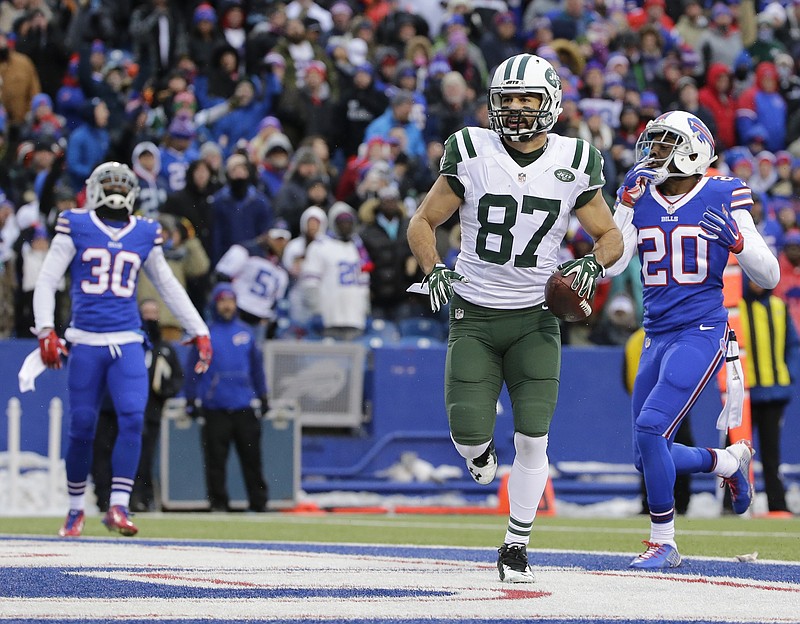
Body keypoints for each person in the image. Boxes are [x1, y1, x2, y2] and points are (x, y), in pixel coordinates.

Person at [406, 53, 624, 583]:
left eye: (528, 98)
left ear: (551, 103)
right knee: (467, 435)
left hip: (535, 318)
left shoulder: (576, 159)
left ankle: (516, 544)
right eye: (509, 99)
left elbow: (612, 236)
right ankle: (479, 456)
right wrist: (434, 269)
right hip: (475, 315)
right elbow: (422, 222)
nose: (518, 108)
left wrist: (591, 263)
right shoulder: (471, 150)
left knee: (533, 436)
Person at [609, 111, 781, 568]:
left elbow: (771, 274)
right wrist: (623, 207)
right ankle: (726, 462)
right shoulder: (640, 197)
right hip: (655, 334)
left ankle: (664, 541)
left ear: (691, 149)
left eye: (664, 145)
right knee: (647, 457)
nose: (653, 153)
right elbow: (609, 265)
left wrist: (740, 246)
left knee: (650, 429)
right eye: (652, 144)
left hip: (701, 330)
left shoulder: (723, 193)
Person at [32, 161, 212, 537]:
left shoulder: (145, 231)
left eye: (121, 184)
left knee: (133, 418)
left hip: (127, 338)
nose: (115, 190)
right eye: (108, 183)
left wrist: (198, 328)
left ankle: (119, 505)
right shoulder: (75, 223)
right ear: (94, 188)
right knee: (82, 426)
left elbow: (167, 285)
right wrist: (46, 328)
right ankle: (76, 507)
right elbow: (47, 279)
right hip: (85, 339)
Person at [184, 283, 270, 513]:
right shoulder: (206, 334)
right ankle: (219, 504)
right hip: (215, 407)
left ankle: (259, 503)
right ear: (215, 303)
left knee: (252, 459)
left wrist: (263, 395)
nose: (227, 305)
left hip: (243, 405)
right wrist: (191, 399)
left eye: (230, 300)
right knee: (215, 461)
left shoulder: (246, 333)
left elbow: (257, 368)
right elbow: (193, 369)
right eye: (222, 300)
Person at [737, 277, 800, 515]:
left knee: (771, 452)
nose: (757, 283)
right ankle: (731, 505)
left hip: (773, 392)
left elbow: (792, 344)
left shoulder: (779, 307)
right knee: (736, 451)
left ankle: (777, 504)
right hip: (744, 394)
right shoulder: (737, 308)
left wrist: (789, 373)